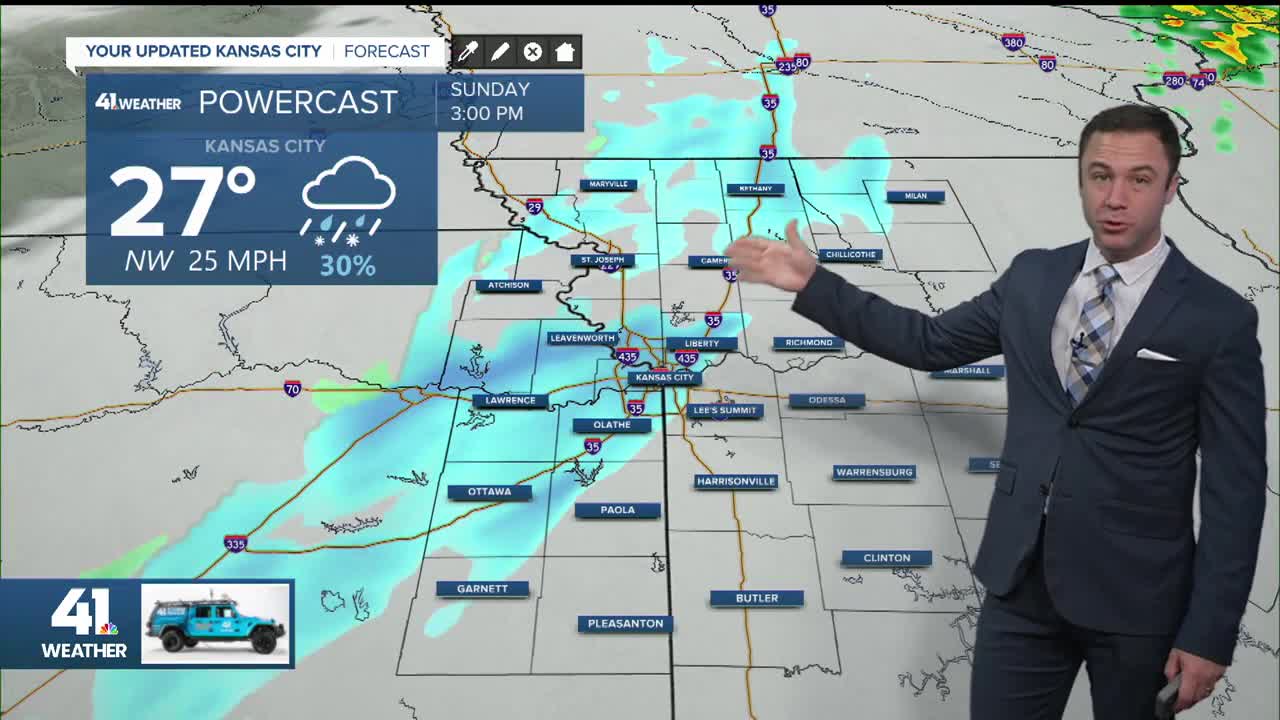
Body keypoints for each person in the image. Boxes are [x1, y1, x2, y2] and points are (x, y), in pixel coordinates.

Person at [726, 104, 1267, 718]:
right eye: (1100, 176)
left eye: (1139, 179)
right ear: (1081, 179)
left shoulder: (1217, 318)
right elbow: (929, 343)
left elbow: (1236, 491)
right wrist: (813, 284)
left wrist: (1209, 634)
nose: (1115, 198)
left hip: (1139, 600)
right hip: (1020, 583)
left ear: (1171, 187)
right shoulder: (1034, 277)